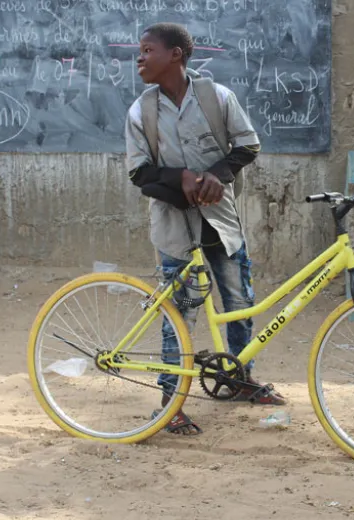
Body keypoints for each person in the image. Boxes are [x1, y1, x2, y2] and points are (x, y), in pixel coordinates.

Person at [124, 22, 286, 436]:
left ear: (175, 55)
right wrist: (180, 178)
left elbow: (247, 145)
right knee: (179, 312)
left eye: (147, 50)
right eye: (139, 52)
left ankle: (239, 378)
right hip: (175, 226)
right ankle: (170, 401)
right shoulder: (141, 111)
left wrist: (217, 174)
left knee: (238, 298)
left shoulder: (217, 97)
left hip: (220, 221)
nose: (139, 58)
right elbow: (139, 173)